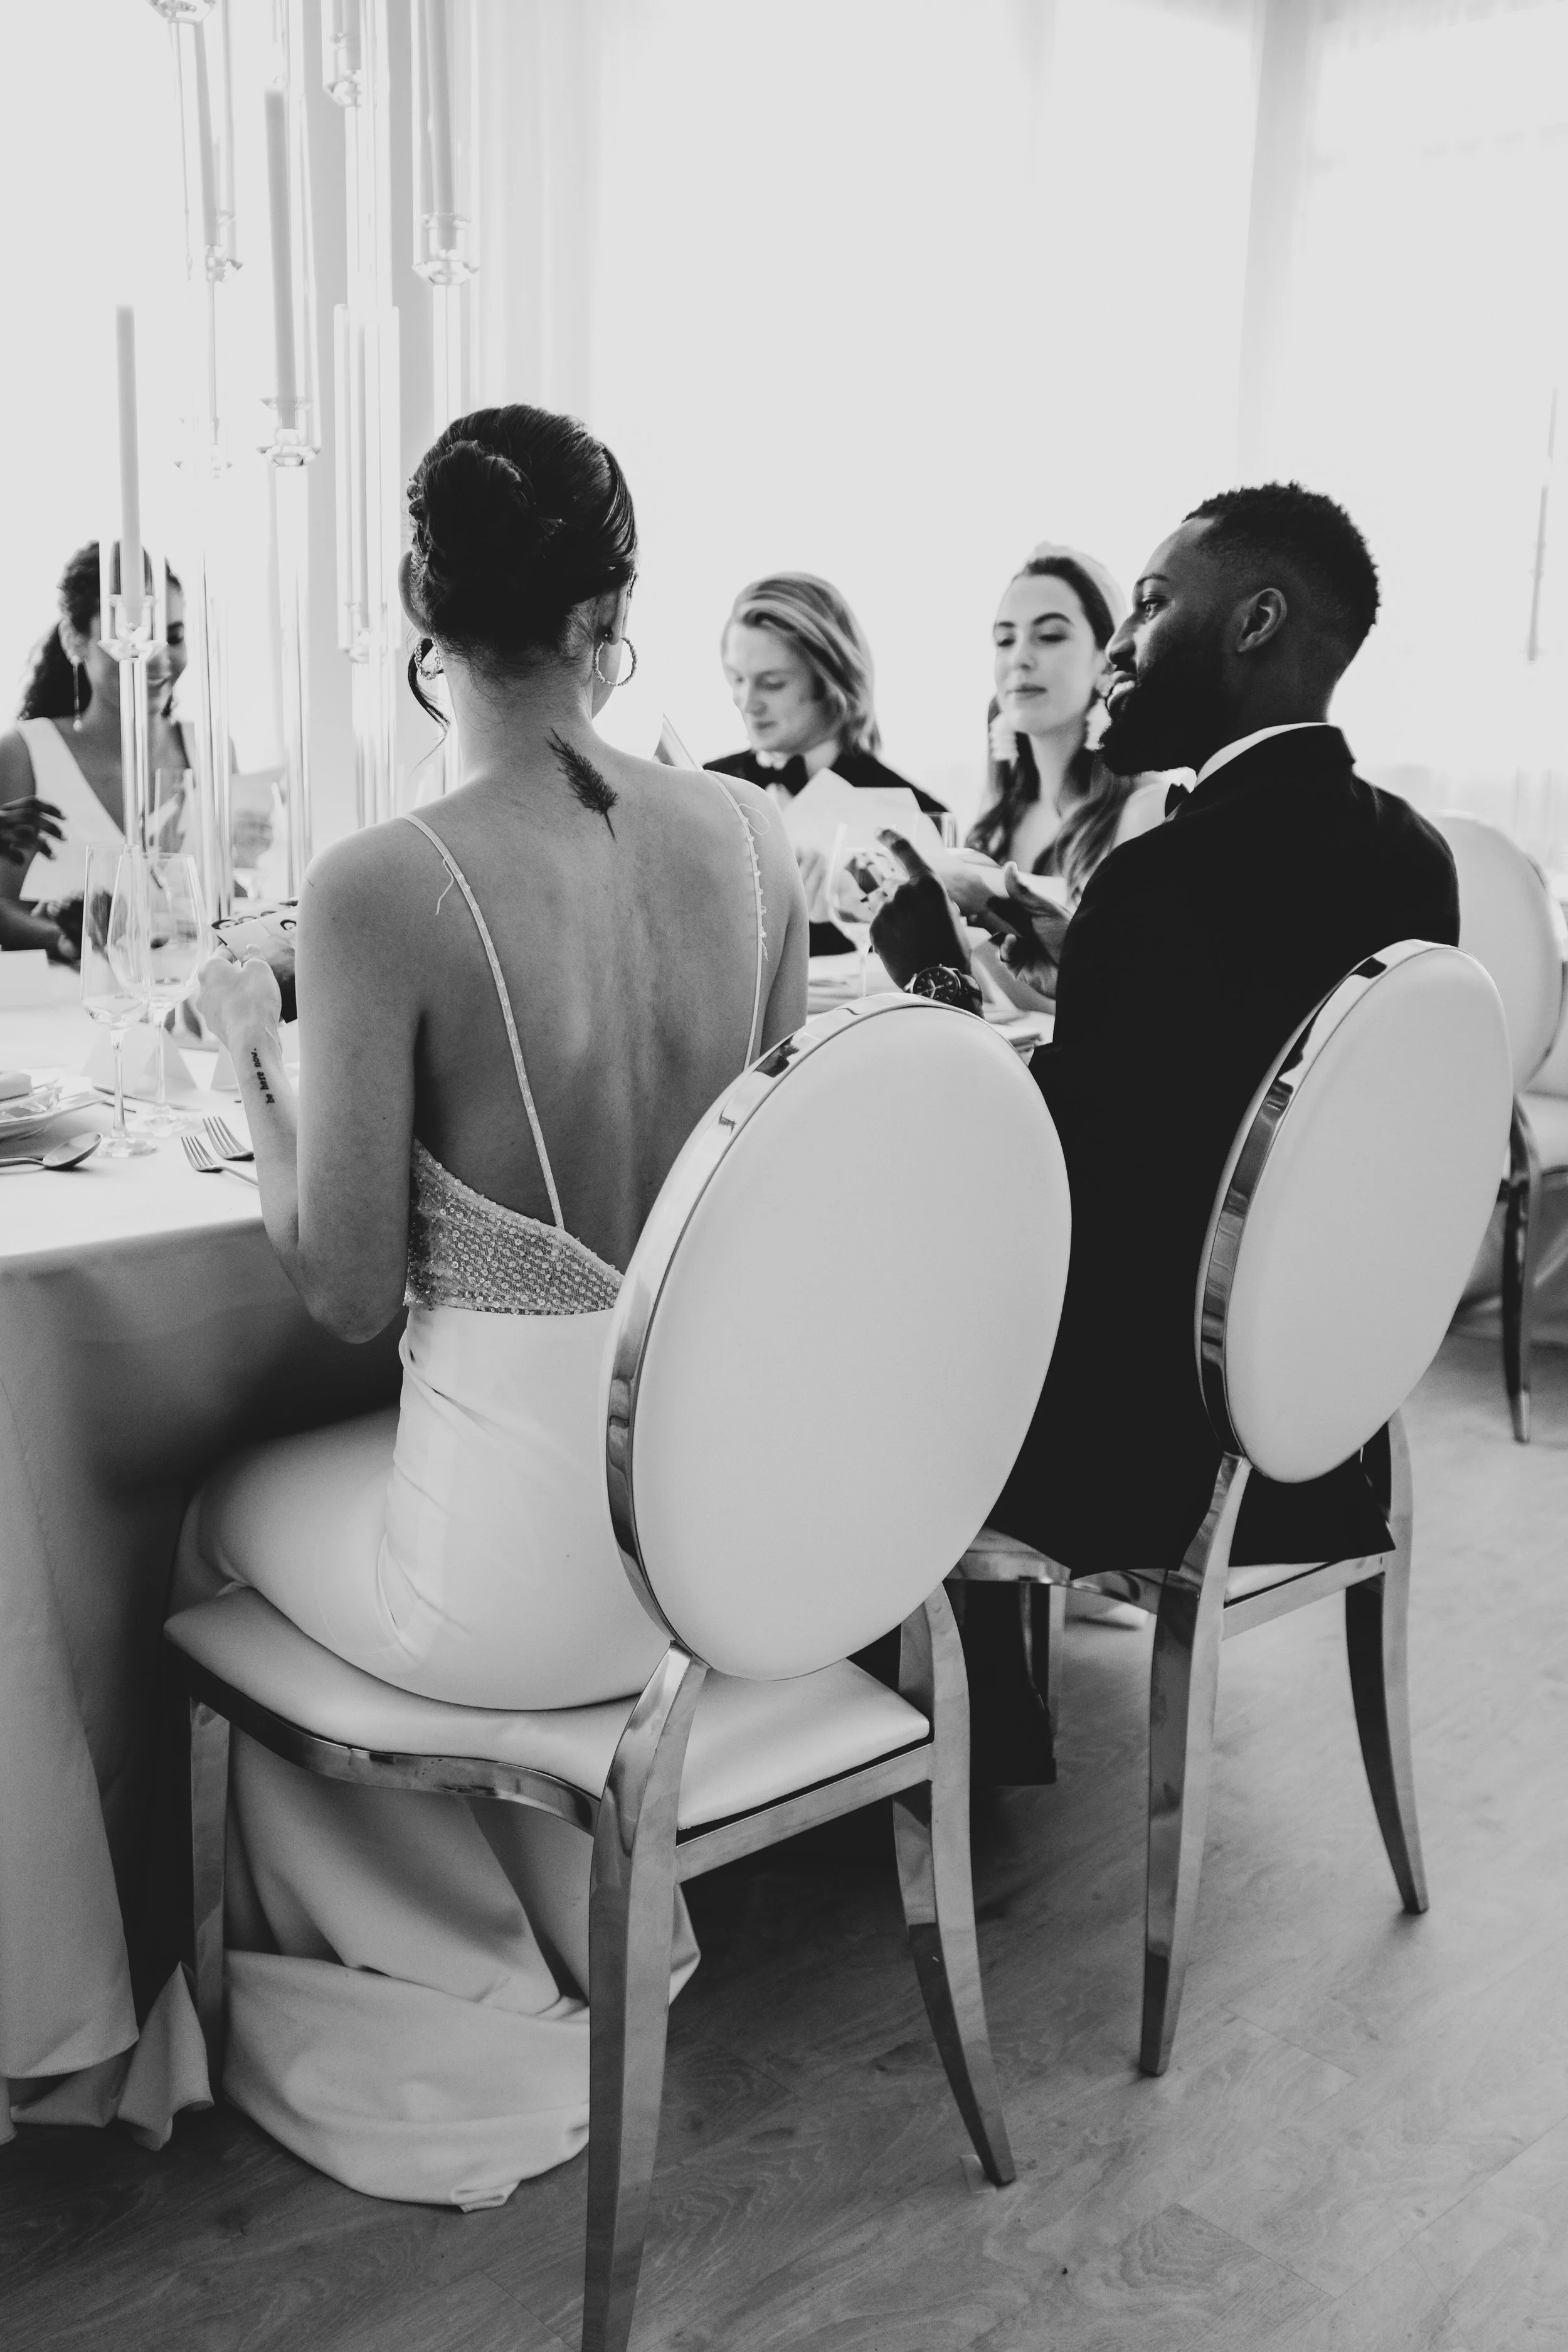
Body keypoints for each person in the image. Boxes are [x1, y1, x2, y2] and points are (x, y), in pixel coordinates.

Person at [174, 402, 809, 2205]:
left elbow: (343, 1292)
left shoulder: (380, 883)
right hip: (708, 1566)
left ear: (413, 603)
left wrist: (251, 1063)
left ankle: (446, 1983)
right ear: (617, 601)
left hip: (509, 1606)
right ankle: (561, 1914)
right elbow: (739, 1214)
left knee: (199, 1509)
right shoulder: (759, 845)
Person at [873, 482, 1458, 1773]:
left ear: (1253, 621)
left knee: (871, 1320)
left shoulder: (1166, 872)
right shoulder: (1412, 861)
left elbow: (1055, 1202)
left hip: (1142, 1448)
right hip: (1315, 1425)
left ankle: (935, 1752)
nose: (1117, 652)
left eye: (1144, 607)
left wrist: (930, 982)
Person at [714, 571, 946, 953]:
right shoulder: (700, 789)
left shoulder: (918, 818)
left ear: (831, 681)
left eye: (772, 683)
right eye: (736, 678)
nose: (746, 700)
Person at [0, 544, 187, 956]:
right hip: (69, 1012)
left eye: (172, 636)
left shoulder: (209, 753)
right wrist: (76, 940)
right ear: (75, 640)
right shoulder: (23, 754)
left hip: (189, 1008)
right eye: (130, 635)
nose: (155, 657)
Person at [972, 545, 1163, 884]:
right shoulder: (995, 824)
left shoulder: (1144, 813)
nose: (1019, 658)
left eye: (1049, 636)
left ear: (1106, 661)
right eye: (1004, 640)